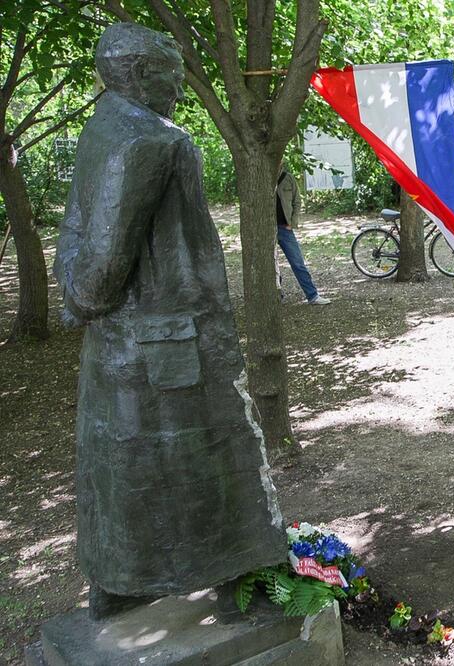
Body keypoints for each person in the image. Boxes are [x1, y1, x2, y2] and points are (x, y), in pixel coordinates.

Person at [53, 22, 285, 619]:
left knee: (125, 465)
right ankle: (238, 582)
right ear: (135, 73)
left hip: (119, 345)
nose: (179, 85)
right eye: (168, 72)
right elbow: (104, 258)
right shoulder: (151, 140)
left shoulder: (101, 127)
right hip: (169, 342)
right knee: (209, 459)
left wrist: (77, 299)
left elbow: (77, 232)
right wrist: (83, 295)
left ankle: (118, 581)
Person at [276, 165, 330, 304]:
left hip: (285, 228)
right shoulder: (262, 177)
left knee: (297, 262)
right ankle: (276, 295)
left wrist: (292, 223)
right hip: (267, 228)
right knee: (270, 265)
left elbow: (297, 201)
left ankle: (312, 296)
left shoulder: (288, 178)